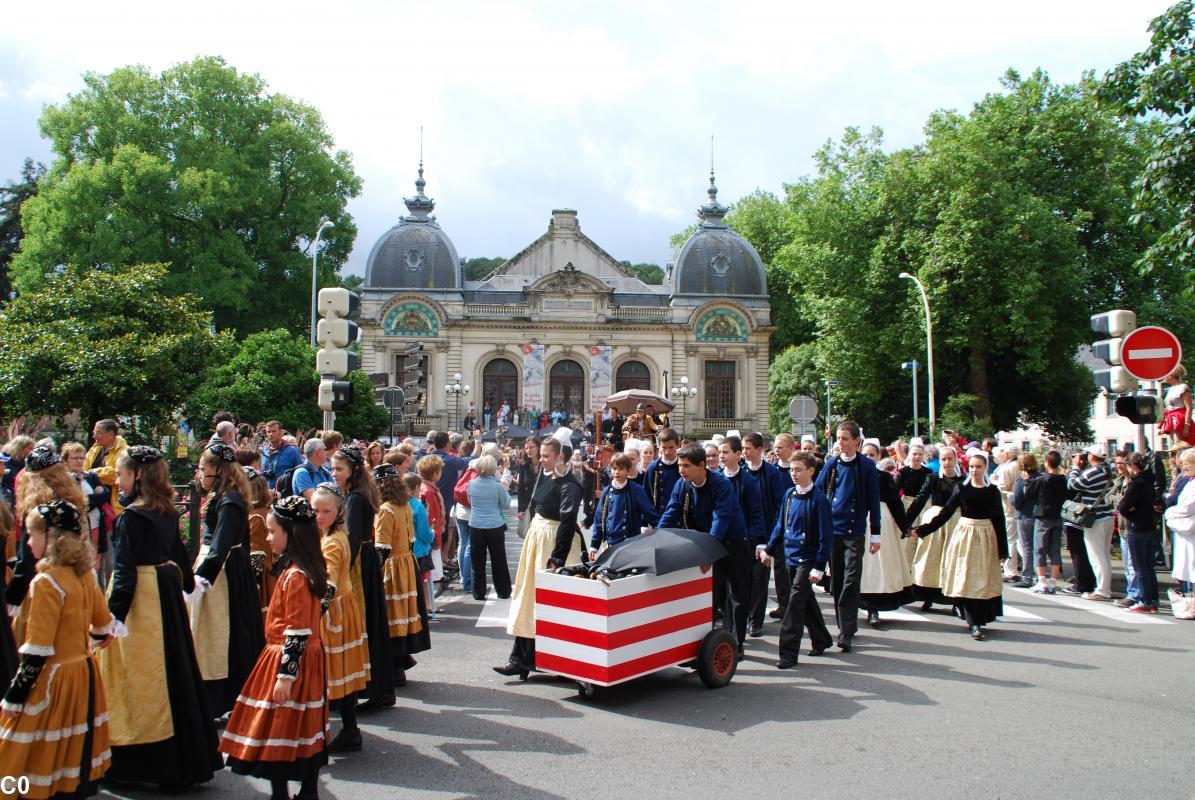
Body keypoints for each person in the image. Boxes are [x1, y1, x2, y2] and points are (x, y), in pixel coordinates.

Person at [99, 446, 222, 789]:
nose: (119, 482)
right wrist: (185, 581)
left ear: (137, 476)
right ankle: (184, 758)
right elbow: (179, 552)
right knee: (174, 671)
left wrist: (114, 618)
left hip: (143, 602)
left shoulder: (133, 516)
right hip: (164, 596)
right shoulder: (165, 510)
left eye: (122, 475)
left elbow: (123, 572)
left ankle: (138, 764)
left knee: (140, 681)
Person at [2, 499, 115, 800]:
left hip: (54, 679)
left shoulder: (45, 582)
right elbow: (103, 626)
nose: (27, 541)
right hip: (84, 674)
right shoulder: (84, 575)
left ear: (50, 537)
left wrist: (15, 694)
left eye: (31, 535)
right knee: (73, 745)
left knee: (24, 748)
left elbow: (38, 650)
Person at [220, 495, 329, 800]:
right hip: (309, 657)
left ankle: (281, 793)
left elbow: (295, 630)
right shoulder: (310, 567)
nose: (267, 538)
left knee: (279, 727)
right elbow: (325, 598)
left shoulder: (294, 575)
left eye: (272, 531)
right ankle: (307, 791)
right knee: (305, 725)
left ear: (291, 532)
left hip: (287, 656)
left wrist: (286, 675)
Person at [496, 435, 582, 679]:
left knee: (557, 605)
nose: (541, 460)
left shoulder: (570, 485)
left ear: (560, 456)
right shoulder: (543, 478)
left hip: (553, 544)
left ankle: (563, 661)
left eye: (546, 456)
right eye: (541, 455)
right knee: (529, 599)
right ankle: (520, 660)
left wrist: (557, 558)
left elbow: (567, 522)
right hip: (537, 540)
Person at [190, 441, 266, 719]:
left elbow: (221, 544)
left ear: (218, 471)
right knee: (216, 635)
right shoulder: (223, 496)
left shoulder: (230, 500)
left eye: (203, 469)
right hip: (222, 567)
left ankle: (225, 698)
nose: (199, 475)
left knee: (224, 636)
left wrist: (199, 580)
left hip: (223, 572)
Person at [658, 444, 750, 650]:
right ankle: (704, 646)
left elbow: (721, 519)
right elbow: (671, 513)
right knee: (707, 596)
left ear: (702, 466)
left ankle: (735, 644)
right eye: (680, 465)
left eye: (686, 466)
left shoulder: (721, 484)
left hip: (732, 543)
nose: (681, 470)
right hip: (706, 545)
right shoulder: (682, 484)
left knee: (737, 596)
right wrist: (656, 537)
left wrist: (709, 552)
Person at [911, 450, 1006, 640]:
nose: (974, 470)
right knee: (966, 576)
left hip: (986, 536)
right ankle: (973, 621)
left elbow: (998, 519)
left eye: (978, 467)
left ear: (985, 467)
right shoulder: (962, 488)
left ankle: (980, 617)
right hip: (965, 536)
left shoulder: (992, 490)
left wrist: (1003, 549)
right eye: (971, 467)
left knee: (982, 577)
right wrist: (923, 530)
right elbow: (945, 513)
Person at [330, 445, 394, 711]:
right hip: (364, 559)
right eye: (333, 468)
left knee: (362, 624)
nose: (334, 473)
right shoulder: (357, 492)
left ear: (353, 470)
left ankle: (372, 689)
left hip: (358, 563)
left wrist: (340, 569)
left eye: (339, 469)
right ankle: (372, 689)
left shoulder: (355, 497)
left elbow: (352, 538)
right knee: (369, 624)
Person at [309, 483, 369, 753]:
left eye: (326, 511)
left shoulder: (333, 541)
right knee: (341, 670)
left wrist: (314, 612)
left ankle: (334, 731)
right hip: (344, 607)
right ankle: (349, 728)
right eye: (316, 510)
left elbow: (329, 583)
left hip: (334, 610)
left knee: (330, 671)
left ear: (339, 511)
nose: (319, 516)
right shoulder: (333, 535)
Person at [759, 452, 833, 668]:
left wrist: (819, 567)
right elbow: (781, 525)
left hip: (807, 559)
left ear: (811, 471)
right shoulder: (789, 495)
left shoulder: (819, 500)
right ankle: (822, 639)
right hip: (790, 556)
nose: (794, 474)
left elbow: (824, 536)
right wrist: (770, 550)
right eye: (792, 470)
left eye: (798, 470)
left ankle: (788, 654)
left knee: (794, 605)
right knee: (805, 600)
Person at [814, 421, 882, 652]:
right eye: (838, 439)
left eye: (845, 439)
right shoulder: (832, 464)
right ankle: (844, 625)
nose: (840, 443)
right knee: (838, 580)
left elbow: (874, 501)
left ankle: (846, 631)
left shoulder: (866, 467)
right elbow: (819, 493)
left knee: (851, 579)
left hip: (854, 530)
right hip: (834, 530)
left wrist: (876, 533)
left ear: (856, 441)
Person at [373, 465, 430, 684]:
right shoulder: (405, 505)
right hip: (407, 561)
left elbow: (383, 545)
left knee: (393, 615)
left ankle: (396, 666)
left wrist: (375, 571)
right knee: (402, 614)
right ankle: (401, 660)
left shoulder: (386, 509)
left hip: (393, 564)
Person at [743, 432, 792, 635]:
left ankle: (756, 621)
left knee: (761, 578)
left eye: (748, 449)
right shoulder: (742, 471)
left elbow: (779, 504)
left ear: (759, 449)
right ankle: (744, 616)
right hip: (745, 534)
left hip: (767, 534)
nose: (744, 453)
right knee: (745, 578)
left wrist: (773, 534)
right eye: (743, 449)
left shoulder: (771, 473)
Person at [859, 441, 912, 627]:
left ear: (878, 457)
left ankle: (876, 605)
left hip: (882, 523)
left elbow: (895, 503)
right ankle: (864, 603)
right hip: (858, 523)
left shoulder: (884, 477)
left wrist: (904, 526)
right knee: (863, 567)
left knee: (881, 565)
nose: (868, 458)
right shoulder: (853, 474)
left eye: (872, 455)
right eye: (864, 455)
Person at [906, 445, 962, 610]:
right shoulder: (933, 478)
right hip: (934, 521)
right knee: (930, 561)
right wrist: (905, 522)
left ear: (956, 460)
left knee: (952, 560)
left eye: (950, 458)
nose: (946, 462)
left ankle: (955, 601)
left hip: (955, 521)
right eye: (943, 459)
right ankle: (928, 596)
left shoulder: (962, 480)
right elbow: (921, 499)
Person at [1067, 444, 1115, 600]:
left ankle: (1102, 590)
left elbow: (1072, 485)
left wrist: (1074, 468)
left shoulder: (1093, 472)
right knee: (1104, 555)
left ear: (1092, 456)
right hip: (1106, 515)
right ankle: (1104, 587)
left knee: (1097, 556)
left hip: (1095, 519)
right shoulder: (1108, 470)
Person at [589, 452, 659, 558]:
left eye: (621, 469)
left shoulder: (636, 490)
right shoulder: (607, 491)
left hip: (630, 544)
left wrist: (660, 529)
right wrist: (594, 545)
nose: (617, 472)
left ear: (628, 471)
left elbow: (650, 513)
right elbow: (599, 519)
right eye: (614, 468)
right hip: (609, 544)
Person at [467, 455, 513, 601]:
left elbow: (470, 501)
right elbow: (506, 503)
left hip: (476, 525)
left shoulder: (471, 484)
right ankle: (503, 591)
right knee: (498, 559)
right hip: (494, 526)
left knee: (477, 561)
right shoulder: (497, 486)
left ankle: (478, 592)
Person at [1118, 453, 1159, 612]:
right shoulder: (1149, 481)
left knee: (1139, 566)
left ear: (1132, 466)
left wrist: (1131, 513)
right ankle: (1153, 600)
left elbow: (1122, 507)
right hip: (1149, 525)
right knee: (1149, 566)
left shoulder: (1136, 484)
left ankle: (1144, 600)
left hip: (1136, 526)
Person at [1026, 450, 1068, 595]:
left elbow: (1029, 495)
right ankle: (1053, 582)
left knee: (1040, 548)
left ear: (1046, 462)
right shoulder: (1063, 479)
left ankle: (1042, 581)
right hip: (1058, 516)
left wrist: (1027, 481)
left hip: (1043, 516)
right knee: (1055, 549)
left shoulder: (1041, 479)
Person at [1164, 448, 1195, 596]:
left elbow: (1185, 509)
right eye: (1183, 463)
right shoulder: (1190, 482)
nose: (1184, 467)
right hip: (1186, 535)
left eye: (1188, 463)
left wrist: (1169, 514)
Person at [85, 418, 129, 515]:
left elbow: (115, 474)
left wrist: (92, 474)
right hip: (95, 505)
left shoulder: (124, 452)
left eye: (98, 433)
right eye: (94, 433)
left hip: (115, 507)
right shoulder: (94, 449)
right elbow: (83, 471)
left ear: (111, 434)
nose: (94, 436)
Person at [991, 446, 1022, 581]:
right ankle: (1017, 568)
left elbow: (1002, 486)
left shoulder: (1010, 467)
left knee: (1011, 540)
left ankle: (1010, 570)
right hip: (1016, 507)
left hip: (1009, 507)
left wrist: (993, 480)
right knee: (1016, 540)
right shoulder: (1017, 465)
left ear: (1008, 454)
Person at [1011, 453, 1040, 588]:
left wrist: (1010, 497)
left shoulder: (1021, 479)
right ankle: (1040, 576)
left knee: (1027, 546)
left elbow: (1016, 500)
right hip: (1039, 515)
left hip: (1024, 515)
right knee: (1038, 547)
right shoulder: (1040, 477)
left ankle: (1027, 576)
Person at [644, 428, 682, 515]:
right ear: (659, 446)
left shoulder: (683, 465)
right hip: (659, 516)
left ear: (678, 445)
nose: (667, 452)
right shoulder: (653, 468)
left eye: (671, 447)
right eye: (664, 447)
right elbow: (647, 495)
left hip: (680, 518)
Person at [260, 420, 302, 491]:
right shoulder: (264, 450)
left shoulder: (291, 451)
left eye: (273, 431)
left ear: (281, 433)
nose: (270, 434)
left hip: (285, 494)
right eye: (268, 432)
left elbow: (300, 474)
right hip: (267, 494)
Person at [1159, 366, 1193, 444]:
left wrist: (1186, 426)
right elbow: (1168, 409)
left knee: (1180, 448)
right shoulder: (1171, 388)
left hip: (1180, 422)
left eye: (1166, 374)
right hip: (1170, 422)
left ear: (1171, 375)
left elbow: (1189, 408)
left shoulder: (1183, 387)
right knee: (1172, 451)